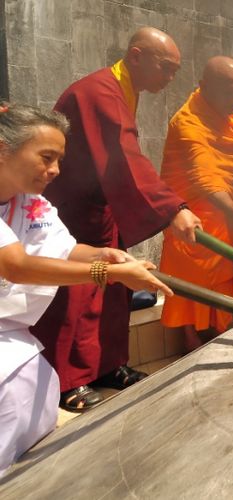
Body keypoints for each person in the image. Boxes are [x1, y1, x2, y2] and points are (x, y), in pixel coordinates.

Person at [30, 27, 202, 412]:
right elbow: (125, 159)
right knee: (74, 294)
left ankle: (109, 366)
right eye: (166, 67)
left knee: (114, 291)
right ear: (136, 55)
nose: (170, 78)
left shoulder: (125, 90)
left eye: (175, 70)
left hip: (100, 209)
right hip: (70, 210)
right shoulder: (97, 91)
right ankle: (66, 382)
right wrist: (173, 208)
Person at [0, 102, 172, 476]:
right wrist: (105, 274)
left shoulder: (29, 203)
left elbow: (63, 248)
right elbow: (16, 265)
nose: (56, 170)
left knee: (35, 404)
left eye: (59, 159)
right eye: (46, 157)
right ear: (3, 148)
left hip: (11, 336)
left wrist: (105, 255)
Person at [159, 56, 233, 352]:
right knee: (194, 279)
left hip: (227, 207)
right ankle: (192, 343)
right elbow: (204, 179)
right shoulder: (187, 123)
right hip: (193, 214)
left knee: (226, 274)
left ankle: (222, 334)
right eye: (230, 92)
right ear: (204, 87)